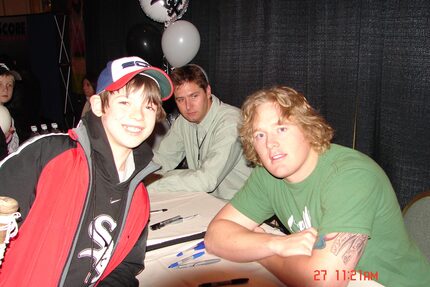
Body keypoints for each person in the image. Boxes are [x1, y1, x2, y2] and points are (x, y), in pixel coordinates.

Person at [204, 86, 430, 287]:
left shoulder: (351, 176)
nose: (270, 144)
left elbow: (324, 280)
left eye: (281, 129)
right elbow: (215, 236)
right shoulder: (268, 175)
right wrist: (276, 243)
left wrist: (262, 253)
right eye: (260, 135)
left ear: (307, 127)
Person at [0, 56, 174, 286]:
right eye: (124, 102)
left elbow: (124, 267)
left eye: (149, 106)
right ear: (98, 105)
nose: (138, 115)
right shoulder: (50, 156)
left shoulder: (138, 199)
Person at [147, 64, 252, 200]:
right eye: (180, 100)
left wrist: (152, 184)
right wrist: (137, 177)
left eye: (194, 96)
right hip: (205, 200)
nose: (188, 106)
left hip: (240, 205)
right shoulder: (184, 121)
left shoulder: (231, 122)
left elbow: (206, 180)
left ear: (208, 91)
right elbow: (162, 159)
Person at [0, 63, 19, 154]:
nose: (5, 89)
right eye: (0, 84)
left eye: (9, 85)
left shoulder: (8, 117)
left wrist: (8, 140)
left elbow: (14, 150)